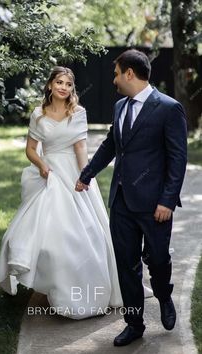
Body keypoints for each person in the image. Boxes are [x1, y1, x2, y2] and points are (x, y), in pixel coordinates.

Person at [76, 49, 187, 344]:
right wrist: (87, 174)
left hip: (154, 204)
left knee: (159, 260)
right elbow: (111, 144)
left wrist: (167, 200)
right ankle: (134, 323)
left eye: (115, 73)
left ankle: (164, 296)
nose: (113, 79)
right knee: (126, 264)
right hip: (122, 201)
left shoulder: (168, 108)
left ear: (129, 73)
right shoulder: (120, 107)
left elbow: (177, 159)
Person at [0, 66, 125, 319]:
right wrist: (42, 165)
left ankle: (80, 287)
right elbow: (31, 149)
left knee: (82, 230)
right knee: (43, 228)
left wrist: (84, 176)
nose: (63, 87)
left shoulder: (77, 112)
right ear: (50, 85)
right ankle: (50, 279)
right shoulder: (38, 115)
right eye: (59, 83)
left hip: (73, 173)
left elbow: (80, 148)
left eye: (68, 84)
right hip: (49, 172)